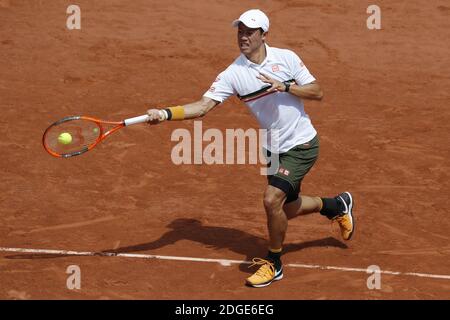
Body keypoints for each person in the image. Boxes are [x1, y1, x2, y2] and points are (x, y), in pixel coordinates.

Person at [146, 9, 355, 288]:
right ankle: (335, 205)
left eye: (249, 32)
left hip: (302, 144)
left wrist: (286, 86)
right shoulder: (233, 74)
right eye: (240, 31)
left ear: (263, 35)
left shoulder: (287, 59)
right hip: (273, 149)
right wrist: (165, 113)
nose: (243, 37)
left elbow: (317, 91)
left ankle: (274, 263)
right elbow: (203, 107)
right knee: (287, 209)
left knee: (271, 200)